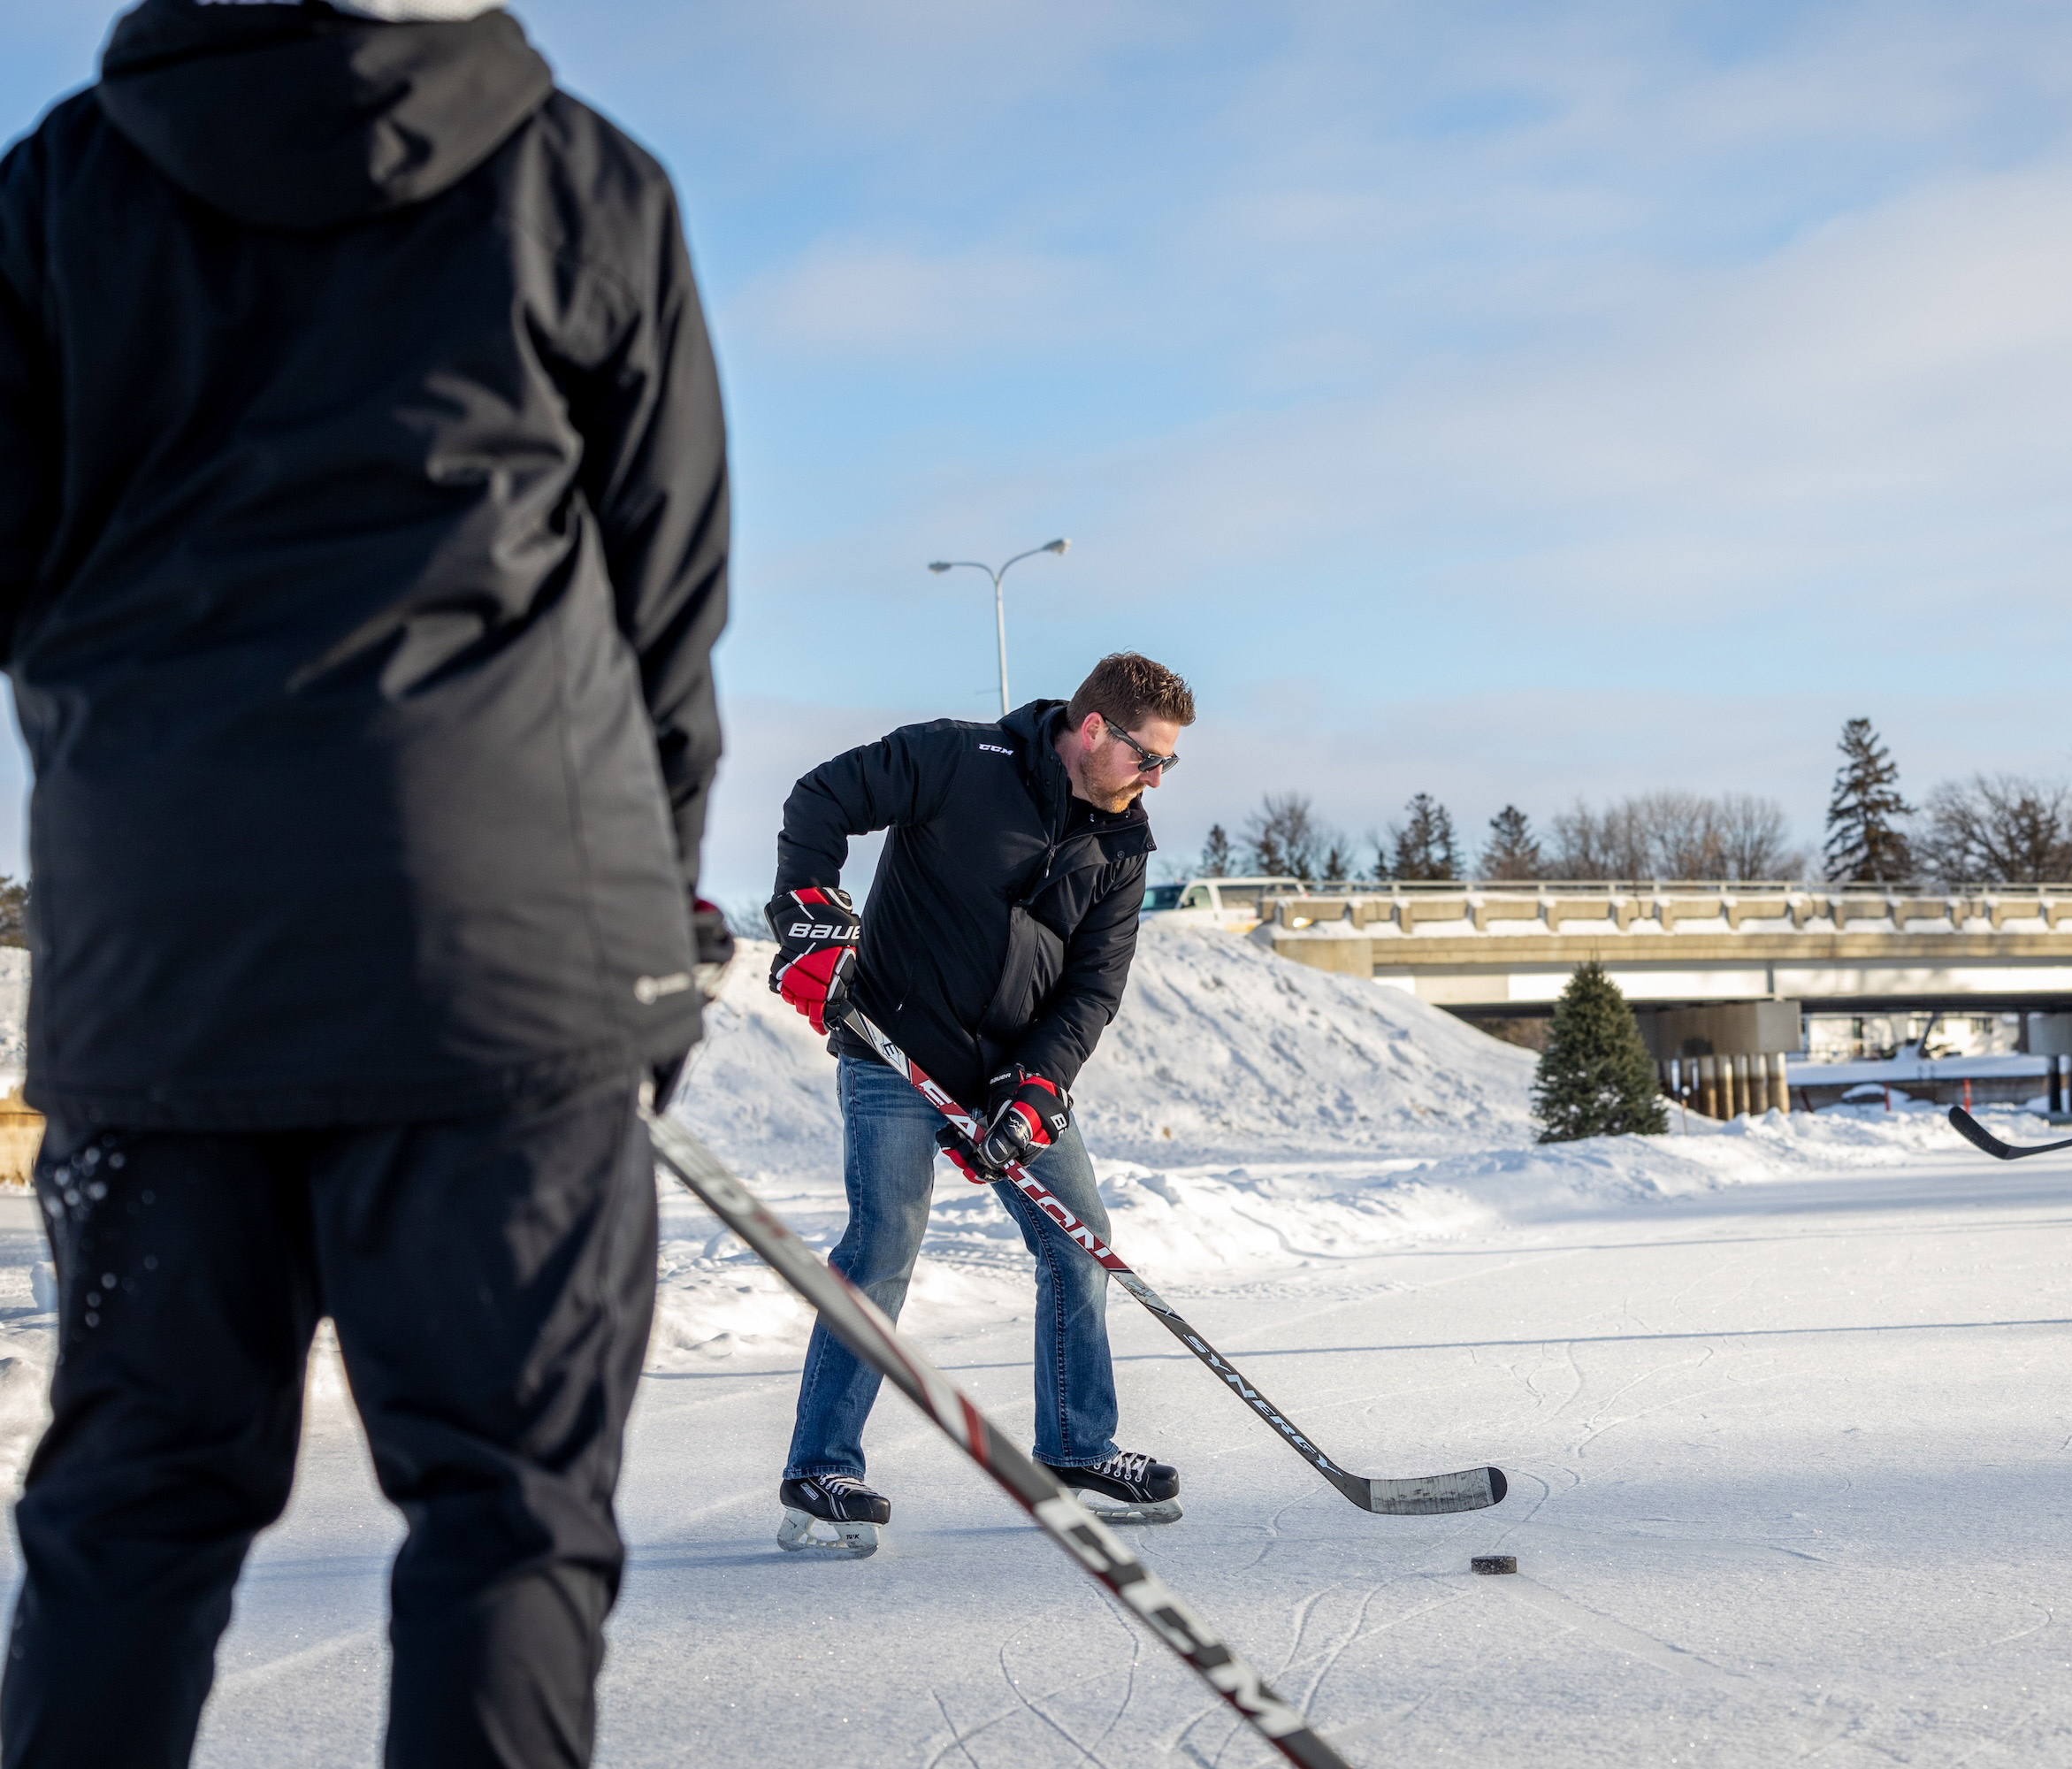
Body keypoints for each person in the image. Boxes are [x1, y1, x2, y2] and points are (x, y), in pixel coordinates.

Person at [0, 4, 730, 1763]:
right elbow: (662, 613)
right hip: (507, 960)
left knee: (135, 1508)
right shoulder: (583, 185)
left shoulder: (56, 197)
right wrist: (642, 947)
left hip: (167, 963)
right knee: (510, 1514)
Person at [763, 654, 1192, 1551]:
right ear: (1092, 729)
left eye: (1167, 764)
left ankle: (1077, 1445)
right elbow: (819, 799)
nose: (1155, 778)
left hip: (1008, 1068)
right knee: (883, 1241)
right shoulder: (959, 758)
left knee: (1080, 1241)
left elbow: (1091, 989)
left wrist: (1036, 1086)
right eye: (1146, 756)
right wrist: (810, 916)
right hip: (893, 1046)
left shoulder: (1122, 844)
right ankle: (820, 1466)